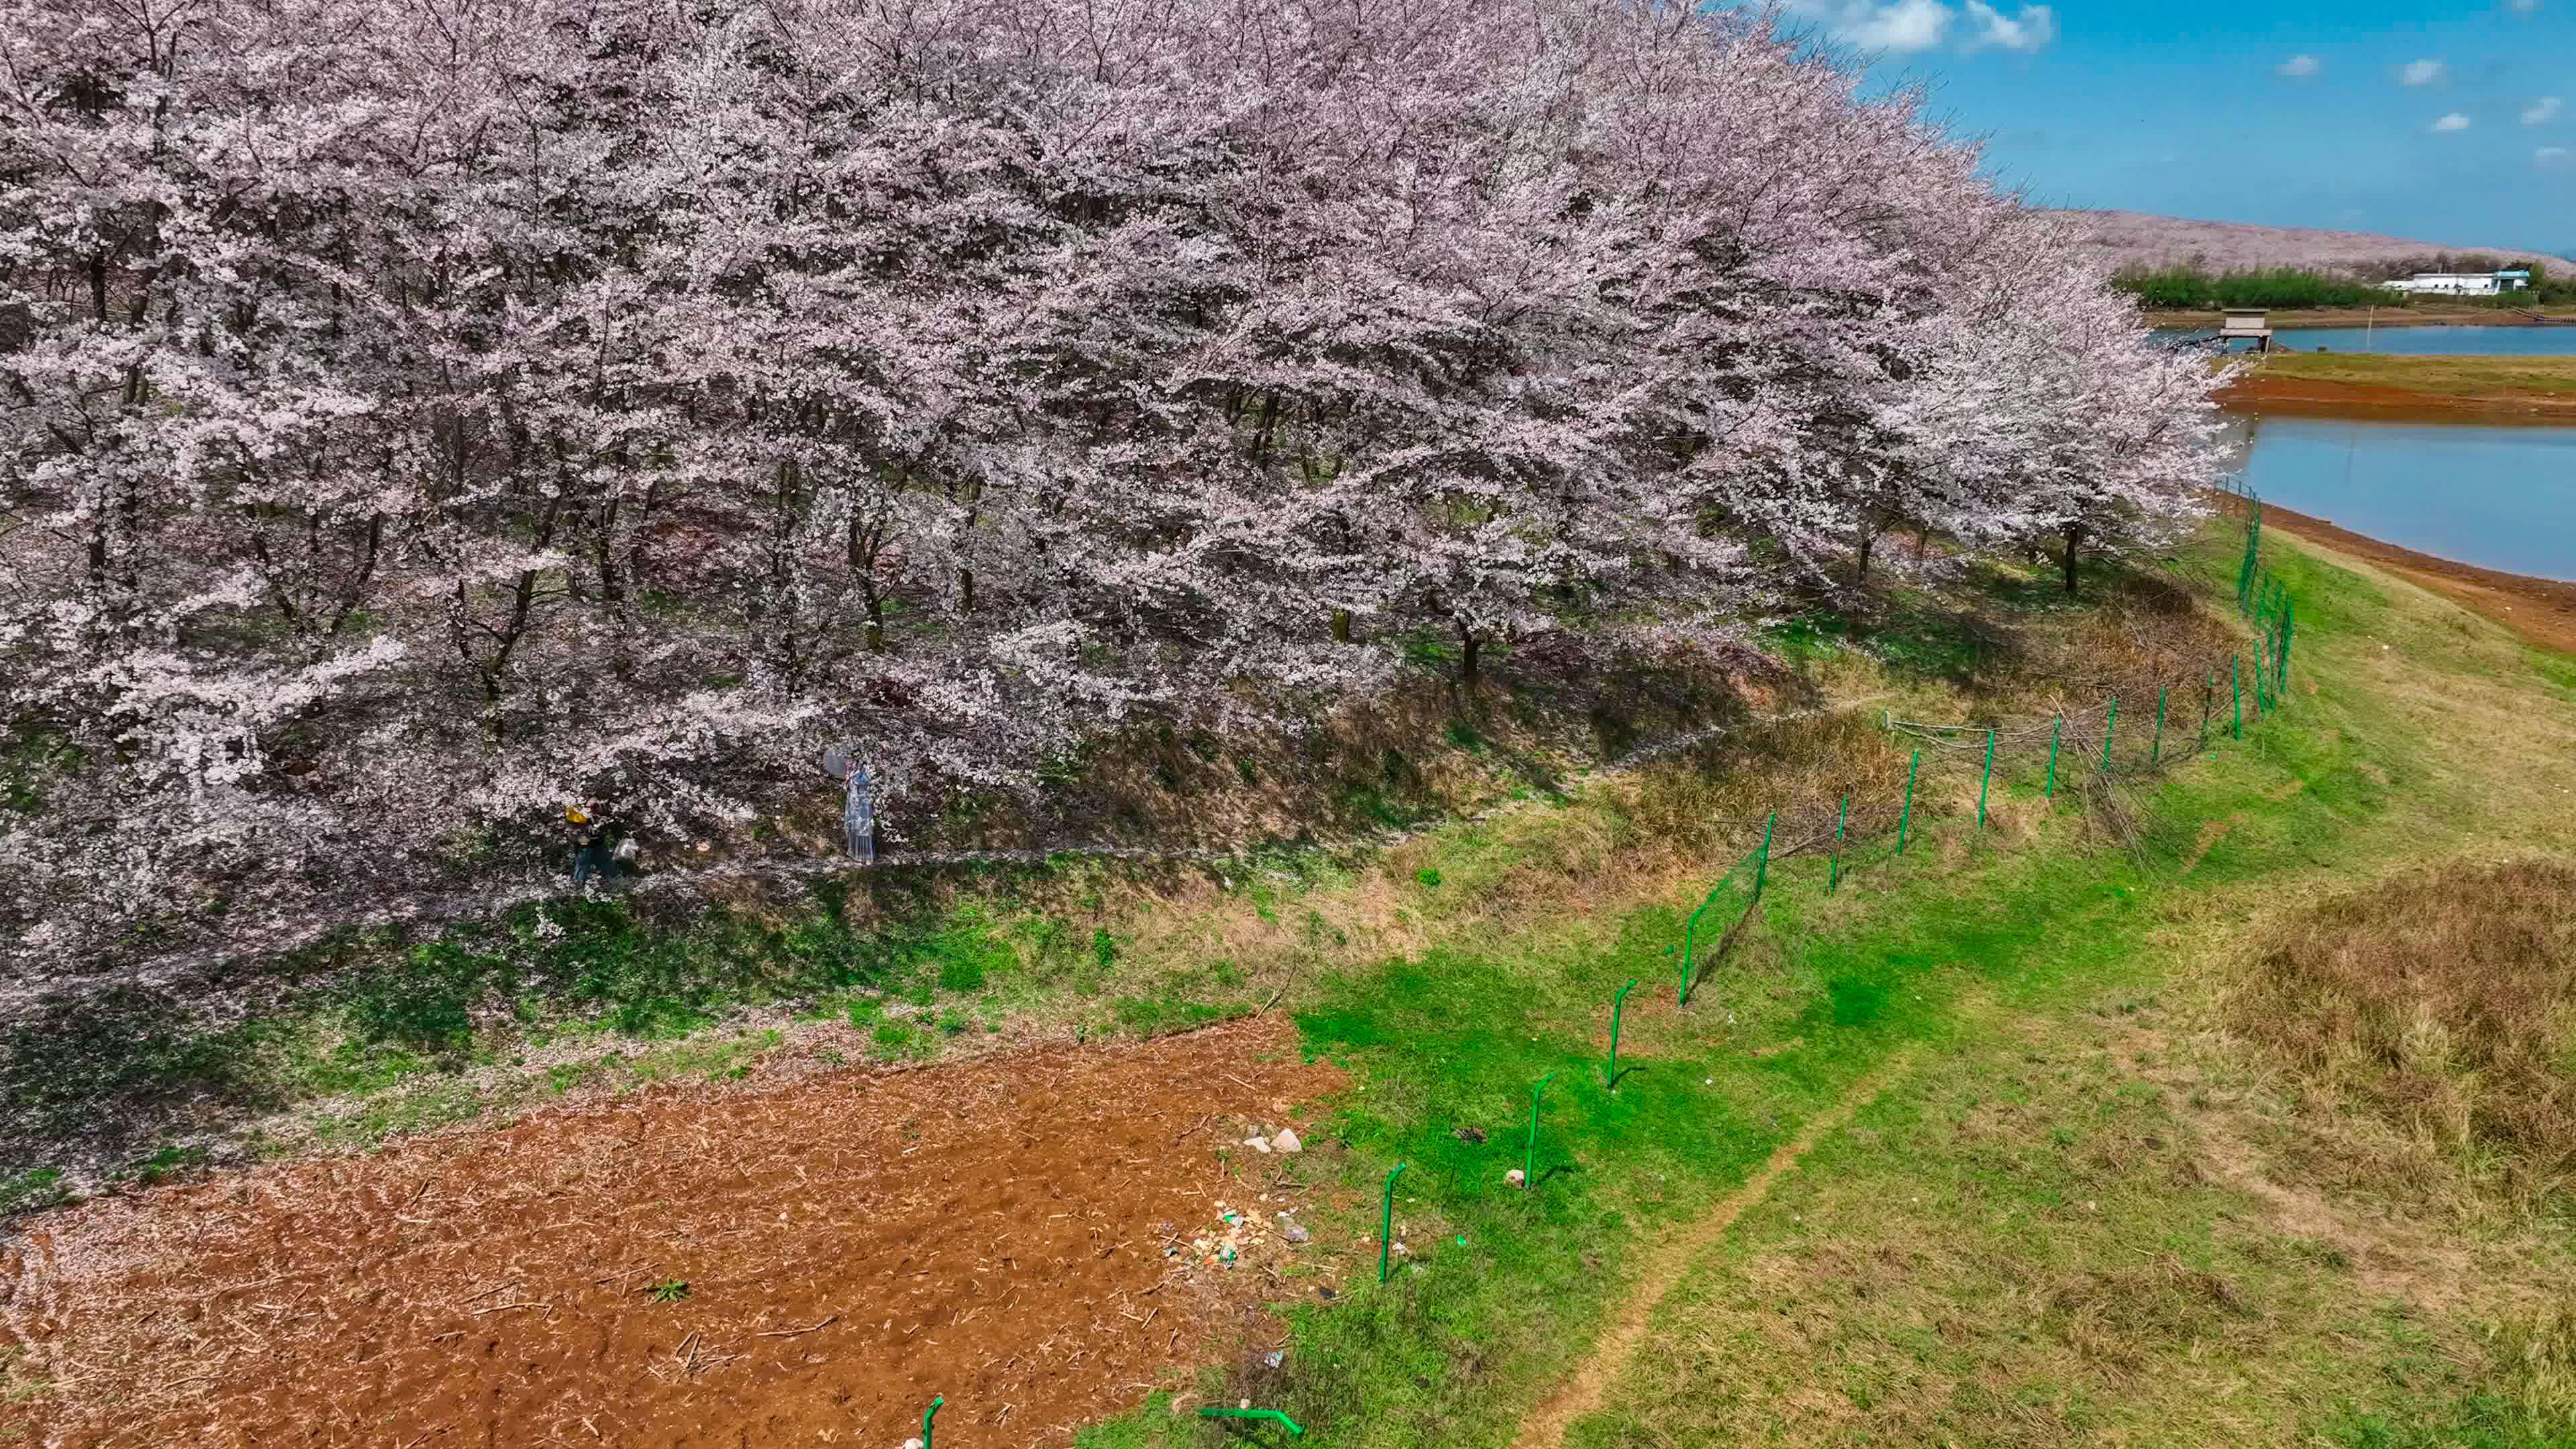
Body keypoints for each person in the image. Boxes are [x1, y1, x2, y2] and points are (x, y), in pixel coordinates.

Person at [568, 800, 621, 890]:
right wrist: (584, 827)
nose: (593, 809)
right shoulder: (575, 810)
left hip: (597, 841)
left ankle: (616, 880)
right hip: (583, 842)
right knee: (583, 864)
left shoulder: (598, 811)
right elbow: (571, 825)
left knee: (605, 862)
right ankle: (578, 885)